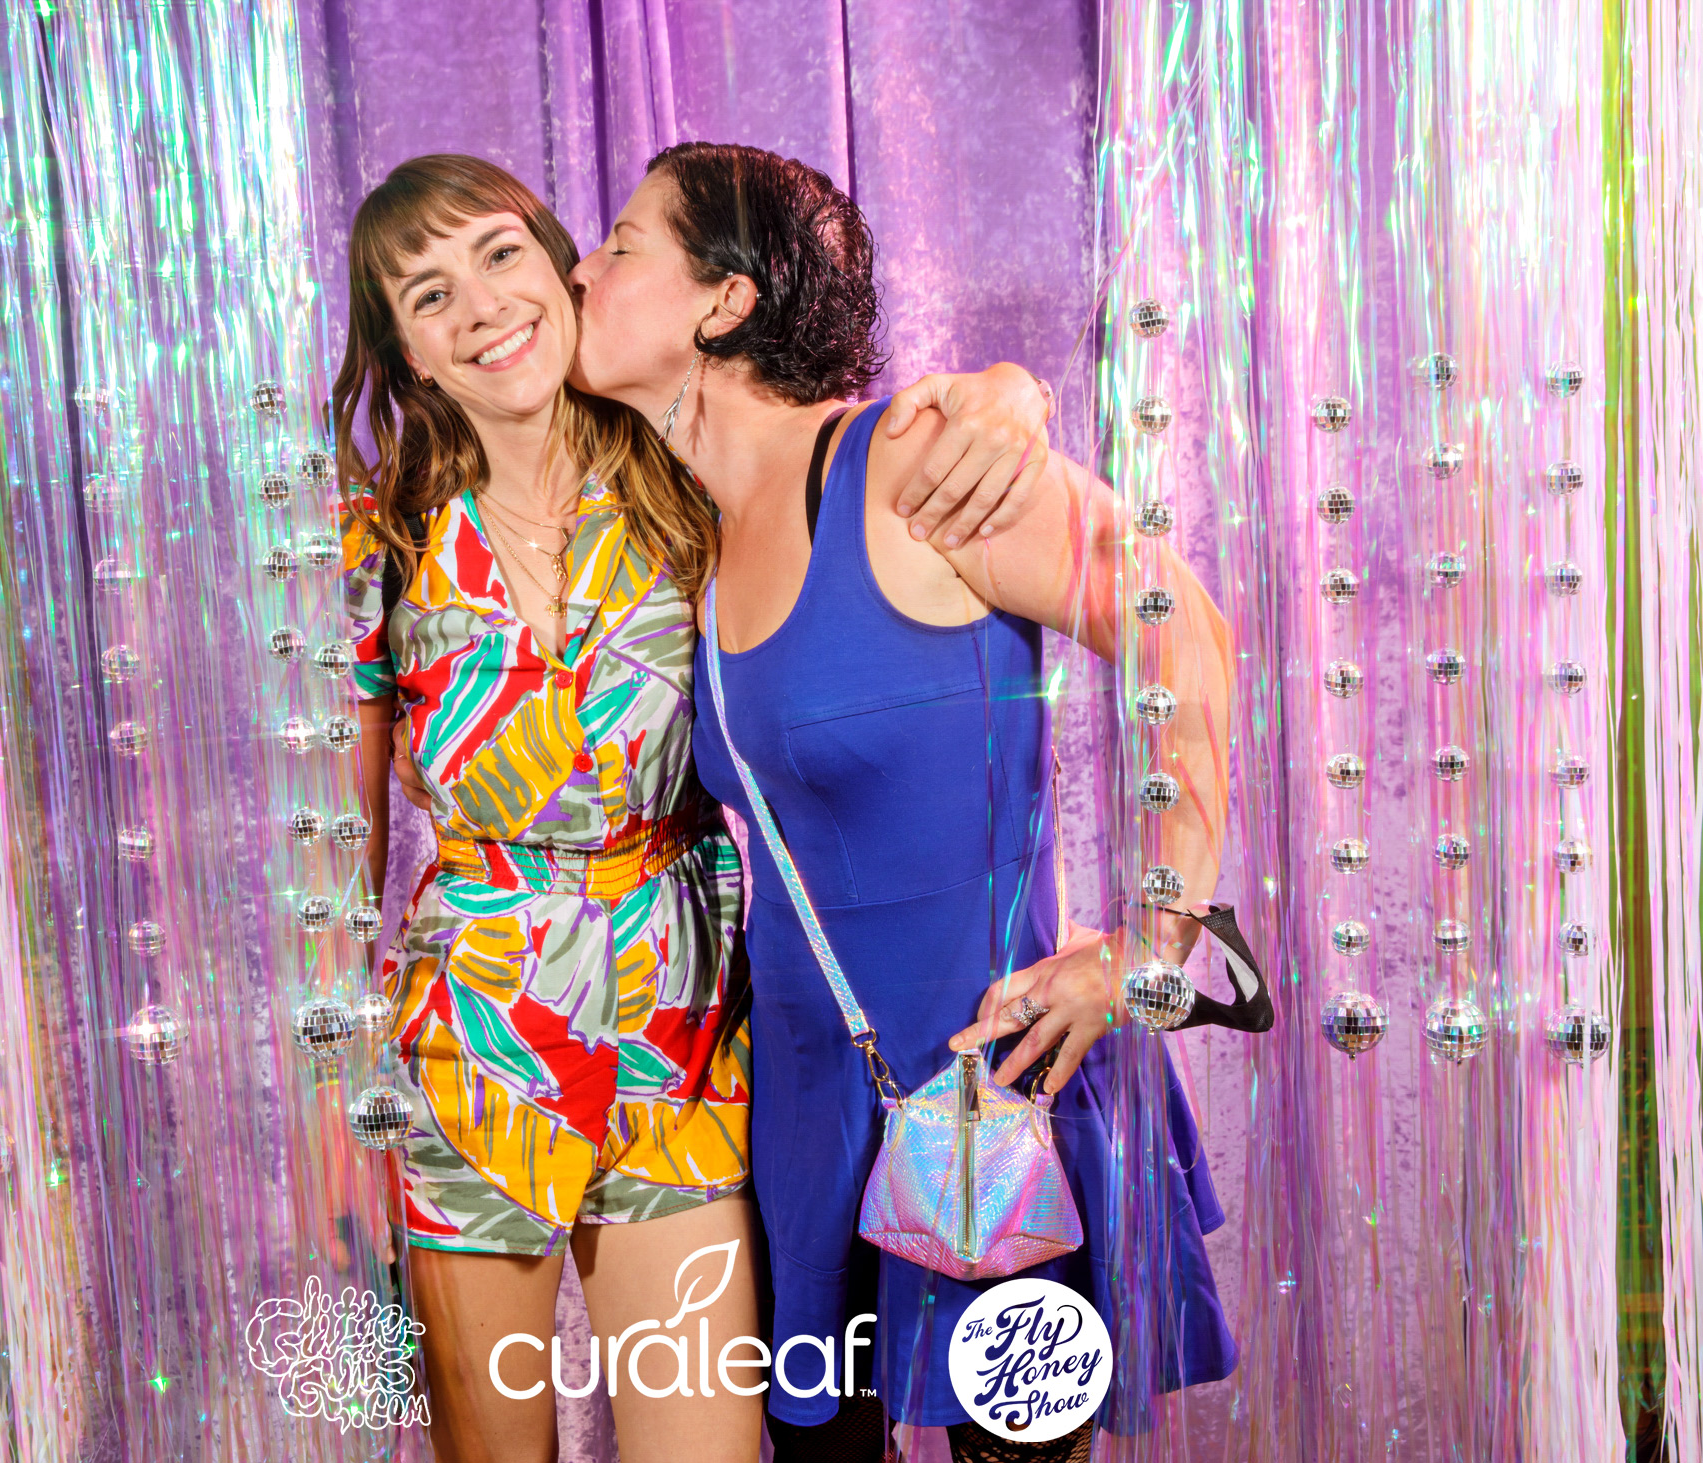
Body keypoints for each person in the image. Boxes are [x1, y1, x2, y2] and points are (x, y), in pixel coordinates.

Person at [334, 154, 1054, 1463]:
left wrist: (1009, 391)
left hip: (682, 1034)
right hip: (471, 1047)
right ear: (407, 354)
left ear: (565, 269)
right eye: (427, 295)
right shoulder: (376, 544)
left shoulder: (687, 486)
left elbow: (856, 445)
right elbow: (338, 863)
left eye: (500, 255)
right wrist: (328, 1113)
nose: (480, 307)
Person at [567, 142, 1237, 1463]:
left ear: (725, 301)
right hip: (806, 1107)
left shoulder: (906, 462)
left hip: (992, 1097)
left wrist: (1150, 947)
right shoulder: (691, 533)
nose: (585, 269)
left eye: (623, 244)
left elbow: (1185, 631)